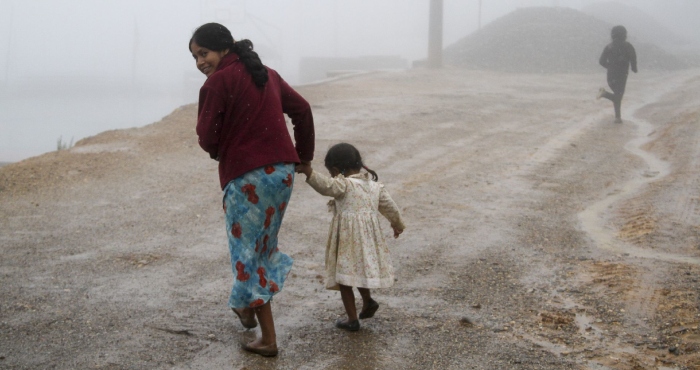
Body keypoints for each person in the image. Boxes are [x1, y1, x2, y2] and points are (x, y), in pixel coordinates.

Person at [189, 22, 315, 357]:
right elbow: (302, 110)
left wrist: (221, 146)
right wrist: (304, 158)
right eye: (195, 57)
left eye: (204, 53)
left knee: (247, 256)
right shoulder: (267, 74)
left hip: (247, 178)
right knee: (261, 249)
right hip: (282, 175)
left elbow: (207, 138)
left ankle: (268, 338)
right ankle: (245, 306)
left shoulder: (217, 83)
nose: (200, 62)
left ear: (224, 48)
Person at [295, 143, 405, 331]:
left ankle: (352, 319)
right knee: (359, 272)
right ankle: (368, 300)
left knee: (345, 279)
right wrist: (398, 225)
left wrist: (308, 172)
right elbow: (391, 207)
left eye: (332, 173)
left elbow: (326, 187)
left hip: (347, 242)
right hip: (366, 242)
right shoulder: (375, 187)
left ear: (337, 170)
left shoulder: (343, 184)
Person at [597, 25, 638, 123]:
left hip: (611, 75)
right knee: (618, 95)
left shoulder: (609, 46)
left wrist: (610, 67)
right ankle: (605, 95)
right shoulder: (628, 46)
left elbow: (601, 61)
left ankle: (617, 118)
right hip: (622, 74)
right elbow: (633, 58)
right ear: (624, 34)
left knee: (617, 95)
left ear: (612, 34)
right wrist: (634, 68)